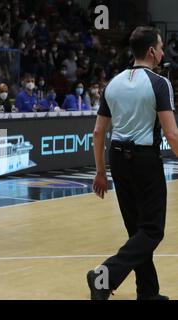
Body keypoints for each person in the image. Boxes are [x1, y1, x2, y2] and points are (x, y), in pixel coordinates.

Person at [88, 26, 178, 300]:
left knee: (137, 229)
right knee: (152, 230)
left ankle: (148, 292)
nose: (163, 52)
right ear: (152, 51)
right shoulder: (159, 83)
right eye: (161, 47)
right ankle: (103, 276)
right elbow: (171, 133)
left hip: (117, 159)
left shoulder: (112, 84)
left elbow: (98, 132)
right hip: (144, 160)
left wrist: (101, 172)